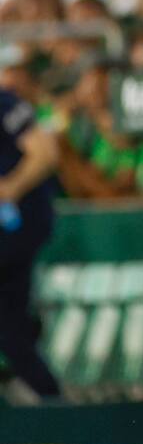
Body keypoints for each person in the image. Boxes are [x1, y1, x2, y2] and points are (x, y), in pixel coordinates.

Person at [0, 86, 60, 397]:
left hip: (15, 228)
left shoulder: (4, 103)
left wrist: (10, 186)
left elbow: (44, 153)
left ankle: (52, 402)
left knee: (12, 328)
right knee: (12, 328)